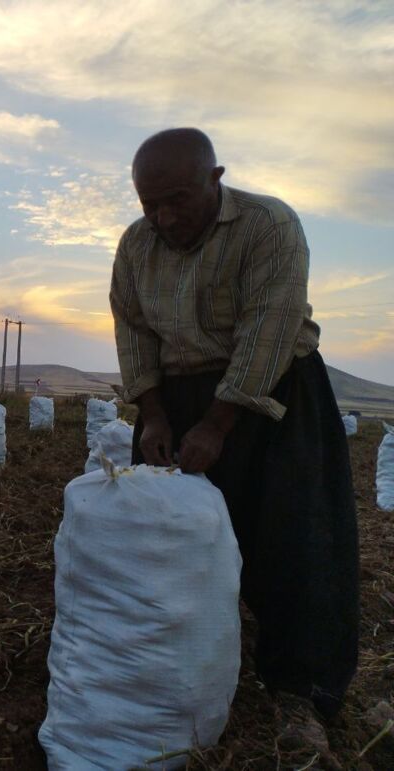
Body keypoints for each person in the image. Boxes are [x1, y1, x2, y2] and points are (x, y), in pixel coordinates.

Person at [109, 128, 359, 757]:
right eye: (149, 205)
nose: (163, 218)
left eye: (177, 200)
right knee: (163, 540)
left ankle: (300, 692)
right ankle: (167, 660)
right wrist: (155, 416)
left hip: (273, 395)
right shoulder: (137, 245)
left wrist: (218, 424)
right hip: (177, 398)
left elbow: (269, 328)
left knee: (293, 539)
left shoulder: (269, 226)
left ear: (214, 179)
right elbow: (133, 329)